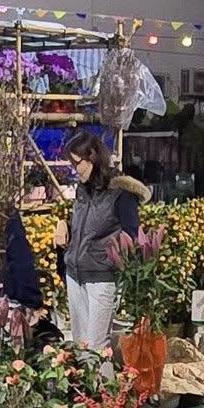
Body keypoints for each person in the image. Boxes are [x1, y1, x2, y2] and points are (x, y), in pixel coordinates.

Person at [53, 132, 148, 351]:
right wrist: (64, 226)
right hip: (75, 275)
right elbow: (84, 228)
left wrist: (109, 261)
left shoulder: (120, 193)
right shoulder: (83, 190)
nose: (75, 170)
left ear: (93, 158)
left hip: (102, 278)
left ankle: (106, 376)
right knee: (81, 347)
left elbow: (131, 238)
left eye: (77, 163)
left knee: (96, 348)